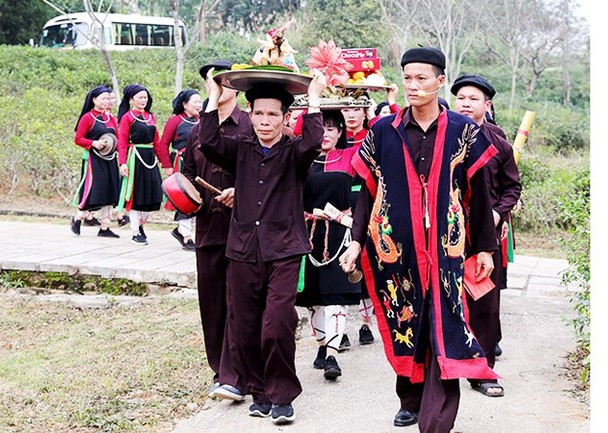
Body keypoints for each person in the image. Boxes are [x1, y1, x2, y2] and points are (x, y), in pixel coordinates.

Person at [339, 47, 499, 432]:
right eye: (407, 78)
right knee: (405, 321)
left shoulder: (464, 132)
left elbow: (479, 195)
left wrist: (486, 249)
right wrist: (356, 242)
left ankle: (437, 420)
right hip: (396, 252)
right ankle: (408, 401)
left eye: (421, 78)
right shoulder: (383, 131)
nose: (413, 86)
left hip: (447, 253)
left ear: (440, 81)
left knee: (444, 326)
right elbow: (368, 191)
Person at [199, 68, 327, 425]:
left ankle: (283, 396)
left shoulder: (294, 151)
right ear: (249, 114)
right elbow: (208, 141)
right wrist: (214, 94)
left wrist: (313, 98)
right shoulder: (239, 148)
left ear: (285, 118)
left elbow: (313, 140)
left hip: (284, 249)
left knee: (277, 324)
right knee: (246, 325)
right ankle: (259, 390)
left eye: (273, 114)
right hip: (242, 248)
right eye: (258, 113)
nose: (265, 121)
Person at [181, 60, 250, 399]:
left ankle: (233, 374)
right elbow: (187, 175)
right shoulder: (197, 130)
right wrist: (183, 196)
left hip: (243, 232)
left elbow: (267, 176)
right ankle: (219, 370)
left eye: (221, 82)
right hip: (208, 229)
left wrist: (242, 190)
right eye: (210, 83)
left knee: (238, 302)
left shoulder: (251, 126)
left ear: (235, 87)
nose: (216, 89)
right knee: (212, 306)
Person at [451, 74, 522, 398]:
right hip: (446, 232)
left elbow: (512, 187)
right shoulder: (443, 133)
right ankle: (446, 365)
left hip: (484, 234)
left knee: (484, 302)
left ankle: (482, 371)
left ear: (486, 105)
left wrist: (496, 213)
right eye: (461, 97)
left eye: (473, 99)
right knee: (445, 300)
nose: (466, 103)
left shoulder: (498, 141)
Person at [295, 109, 361, 381]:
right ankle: (322, 346)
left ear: (340, 133)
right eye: (320, 128)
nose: (325, 134)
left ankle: (333, 353)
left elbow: (361, 195)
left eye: (331, 128)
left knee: (336, 298)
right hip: (306, 235)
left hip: (340, 236)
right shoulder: (299, 160)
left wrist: (355, 227)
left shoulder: (351, 159)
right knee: (315, 302)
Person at [116, 84, 173, 245]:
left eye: (145, 97)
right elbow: (122, 142)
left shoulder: (150, 117)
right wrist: (122, 163)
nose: (143, 100)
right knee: (136, 196)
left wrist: (165, 163)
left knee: (154, 194)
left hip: (150, 159)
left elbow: (157, 142)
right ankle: (135, 231)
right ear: (131, 99)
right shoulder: (127, 117)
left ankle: (141, 224)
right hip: (134, 158)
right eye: (140, 97)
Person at [70, 85, 122, 238]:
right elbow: (78, 139)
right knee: (93, 189)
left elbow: (117, 138)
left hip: (110, 159)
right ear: (94, 99)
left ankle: (105, 227)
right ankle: (78, 218)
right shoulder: (88, 118)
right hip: (94, 160)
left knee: (110, 190)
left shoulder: (110, 118)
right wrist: (94, 143)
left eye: (108, 98)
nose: (106, 101)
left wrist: (122, 155)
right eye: (103, 98)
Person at [161, 89, 203, 251]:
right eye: (195, 102)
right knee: (184, 199)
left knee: (197, 200)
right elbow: (163, 143)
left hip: (199, 165)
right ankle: (185, 236)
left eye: (200, 101)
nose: (199, 105)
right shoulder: (175, 121)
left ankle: (182, 231)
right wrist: (167, 165)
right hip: (182, 163)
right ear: (185, 104)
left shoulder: (202, 120)